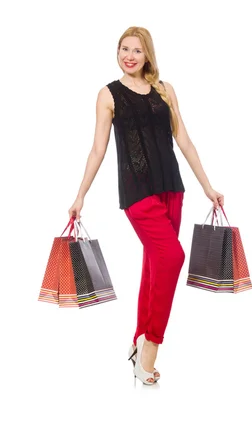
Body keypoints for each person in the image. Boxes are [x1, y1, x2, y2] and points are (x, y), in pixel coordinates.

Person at [68, 26, 224, 385]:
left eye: (137, 50)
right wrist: (81, 195)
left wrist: (207, 186)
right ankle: (151, 344)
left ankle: (139, 338)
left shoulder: (164, 90)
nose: (130, 55)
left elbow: (182, 138)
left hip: (173, 187)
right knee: (172, 257)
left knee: (155, 263)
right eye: (125, 49)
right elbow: (97, 149)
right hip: (138, 193)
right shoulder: (108, 95)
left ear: (147, 54)